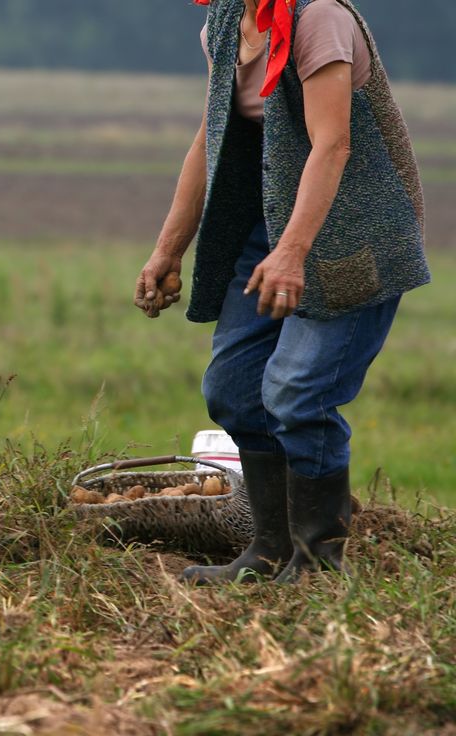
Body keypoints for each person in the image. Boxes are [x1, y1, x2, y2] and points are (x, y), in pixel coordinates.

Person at [135, 0, 429, 583]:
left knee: (298, 391)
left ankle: (318, 566)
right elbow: (209, 138)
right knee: (234, 389)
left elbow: (332, 144)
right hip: (269, 226)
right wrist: (168, 249)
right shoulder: (224, 23)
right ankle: (268, 550)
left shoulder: (318, 19)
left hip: (354, 233)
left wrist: (293, 252)